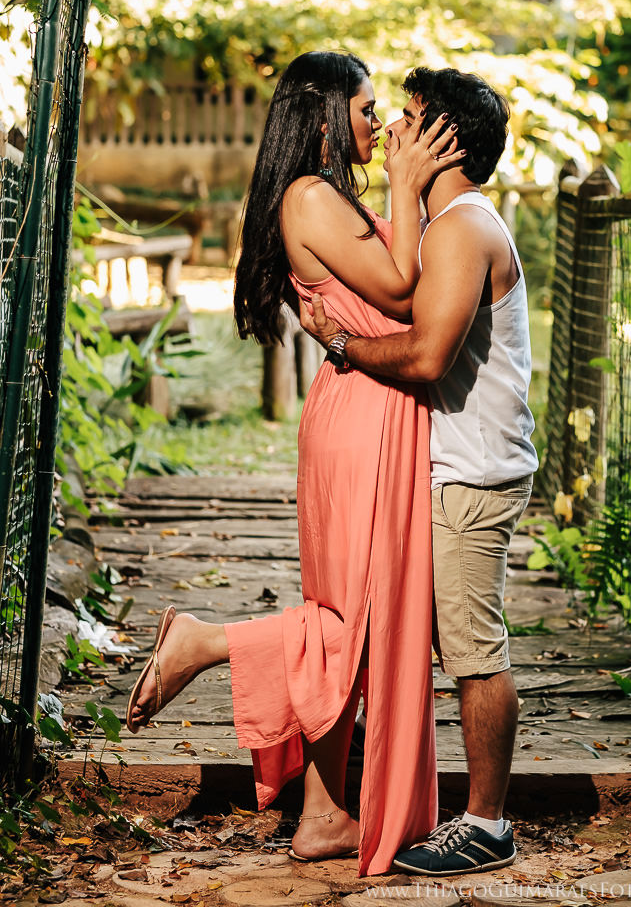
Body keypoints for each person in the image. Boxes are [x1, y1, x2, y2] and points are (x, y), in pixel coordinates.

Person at [125, 51, 463, 876]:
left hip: (366, 411)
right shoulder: (310, 197)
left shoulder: (323, 196)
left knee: (358, 620)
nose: (378, 124)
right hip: (363, 422)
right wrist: (408, 188)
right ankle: (205, 643)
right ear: (321, 116)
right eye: (365, 109)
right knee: (350, 625)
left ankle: (321, 813)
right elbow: (400, 286)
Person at [301, 65, 539, 876]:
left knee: (475, 648)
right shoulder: (448, 226)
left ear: (443, 139)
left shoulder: (464, 228)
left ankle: (486, 823)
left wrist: (337, 345)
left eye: (407, 120)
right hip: (460, 469)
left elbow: (428, 351)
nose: (394, 132)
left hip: (475, 473)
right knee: (449, 641)